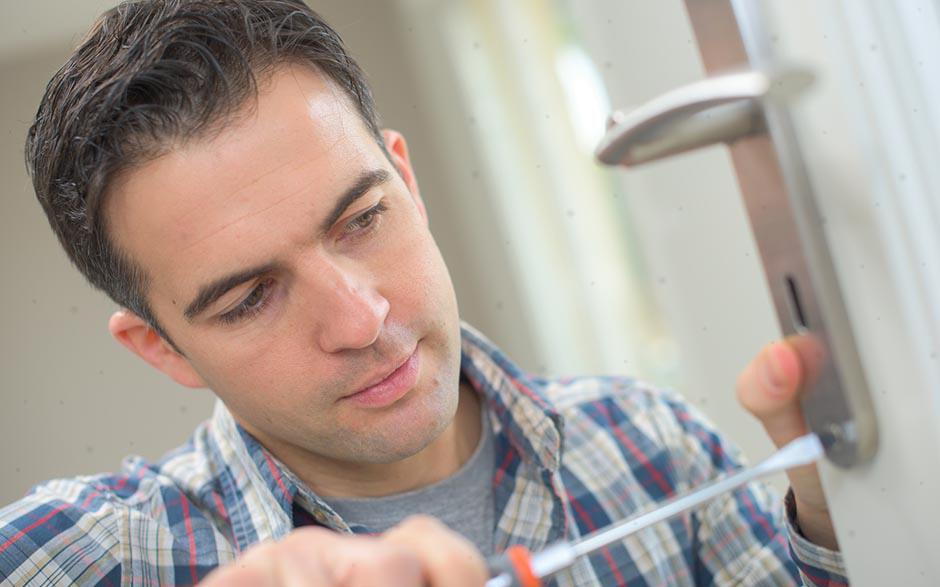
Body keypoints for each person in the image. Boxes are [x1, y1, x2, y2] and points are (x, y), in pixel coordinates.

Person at [0, 0, 847, 585]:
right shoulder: (92, 555)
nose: (361, 319)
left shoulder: (651, 446)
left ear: (404, 179)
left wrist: (845, 512)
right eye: (251, 297)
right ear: (162, 347)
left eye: (362, 218)